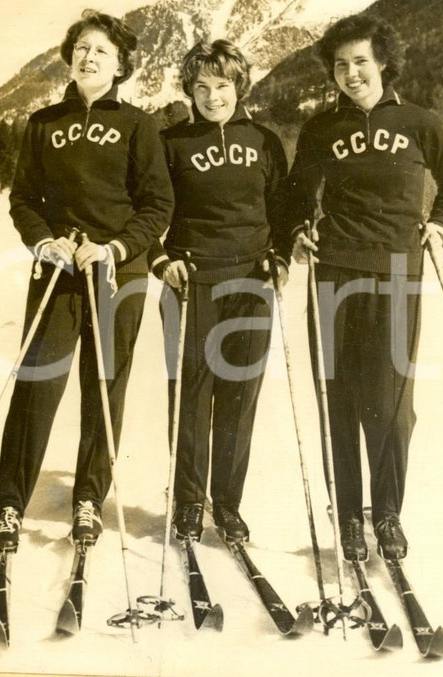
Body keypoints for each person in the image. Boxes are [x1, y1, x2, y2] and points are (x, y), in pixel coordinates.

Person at [0, 10, 174, 553]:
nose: (88, 58)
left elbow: (157, 204)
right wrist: (45, 242)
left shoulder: (140, 126)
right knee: (37, 385)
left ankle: (89, 497)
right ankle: (9, 503)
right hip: (59, 272)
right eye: (82, 48)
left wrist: (114, 247)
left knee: (104, 387)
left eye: (101, 52)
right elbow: (23, 199)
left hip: (119, 273)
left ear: (120, 66)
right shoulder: (43, 122)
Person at [288, 14, 443, 562]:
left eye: (360, 61)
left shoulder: (420, 122)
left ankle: (386, 513)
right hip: (334, 273)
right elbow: (297, 191)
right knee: (338, 397)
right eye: (340, 65)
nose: (351, 74)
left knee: (391, 402)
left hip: (396, 273)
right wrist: (296, 230)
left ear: (383, 61)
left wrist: (438, 224)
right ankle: (347, 516)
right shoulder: (321, 129)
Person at [148, 40, 291, 543]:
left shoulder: (265, 141)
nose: (213, 97)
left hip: (251, 280)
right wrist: (159, 258)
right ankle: (188, 502)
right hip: (191, 279)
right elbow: (145, 210)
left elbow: (285, 210)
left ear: (240, 87)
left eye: (223, 86)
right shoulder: (170, 143)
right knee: (191, 394)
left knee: (239, 394)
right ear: (189, 90)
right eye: (202, 87)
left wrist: (281, 254)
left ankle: (227, 504)